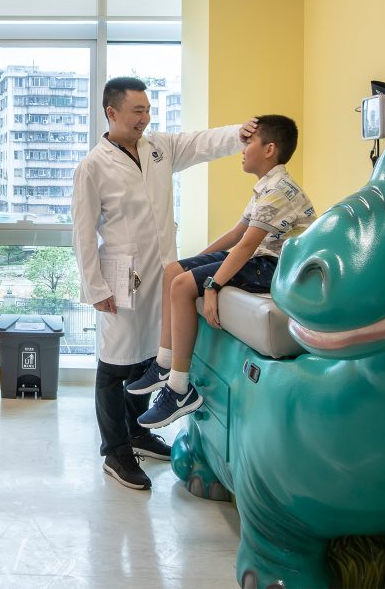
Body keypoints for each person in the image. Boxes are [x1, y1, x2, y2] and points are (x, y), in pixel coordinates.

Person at [73, 76, 259, 491]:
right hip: (119, 274)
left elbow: (200, 143)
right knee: (115, 363)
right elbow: (83, 232)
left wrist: (239, 134)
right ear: (112, 112)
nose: (146, 117)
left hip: (162, 269)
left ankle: (137, 431)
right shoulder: (92, 167)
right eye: (137, 110)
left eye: (148, 109)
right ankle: (115, 450)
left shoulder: (158, 147)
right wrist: (95, 287)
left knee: (148, 358)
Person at [131, 115, 316, 428]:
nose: (242, 149)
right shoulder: (266, 186)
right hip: (260, 258)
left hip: (277, 267)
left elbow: (246, 247)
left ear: (269, 149)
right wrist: (194, 263)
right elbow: (235, 233)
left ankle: (178, 389)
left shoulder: (280, 191)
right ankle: (164, 363)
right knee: (172, 273)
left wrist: (213, 284)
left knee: (182, 287)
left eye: (249, 143)